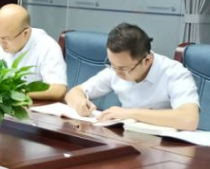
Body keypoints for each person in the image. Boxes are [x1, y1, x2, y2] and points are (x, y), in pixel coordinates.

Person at [65, 22, 200, 130]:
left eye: (123, 69)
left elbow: (189, 119)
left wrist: (130, 113)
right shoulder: (116, 68)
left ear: (147, 60)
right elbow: (74, 92)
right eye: (112, 65)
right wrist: (80, 103)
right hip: (129, 136)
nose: (117, 73)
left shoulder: (174, 73)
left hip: (165, 144)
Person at [0, 4, 67, 101]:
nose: (1, 42)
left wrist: (18, 93)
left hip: (36, 106)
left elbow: (58, 90)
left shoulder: (47, 47)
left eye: (6, 38)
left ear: (26, 33)